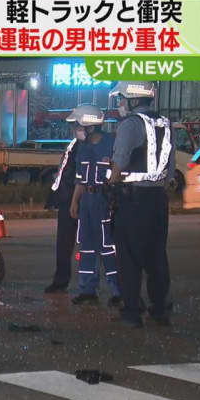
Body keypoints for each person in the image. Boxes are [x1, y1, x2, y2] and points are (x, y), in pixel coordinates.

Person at [108, 81, 175, 328]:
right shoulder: (166, 124)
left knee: (129, 257)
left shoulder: (130, 125)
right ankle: (160, 310)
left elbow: (120, 161)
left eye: (122, 99)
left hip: (133, 199)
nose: (120, 104)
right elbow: (170, 168)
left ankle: (132, 312)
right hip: (158, 200)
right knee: (157, 256)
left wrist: (112, 182)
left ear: (134, 100)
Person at [68, 104, 121, 306]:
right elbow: (80, 180)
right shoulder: (82, 148)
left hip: (104, 201)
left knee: (108, 246)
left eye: (77, 125)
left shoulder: (111, 144)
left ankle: (117, 290)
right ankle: (88, 289)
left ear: (88, 125)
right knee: (87, 247)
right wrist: (75, 201)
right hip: (87, 202)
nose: (76, 130)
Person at [44, 127, 81, 294]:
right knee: (64, 243)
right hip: (67, 199)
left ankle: (92, 288)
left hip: (81, 200)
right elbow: (62, 174)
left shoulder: (86, 147)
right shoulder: (74, 145)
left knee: (93, 245)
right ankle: (61, 280)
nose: (76, 128)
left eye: (78, 125)